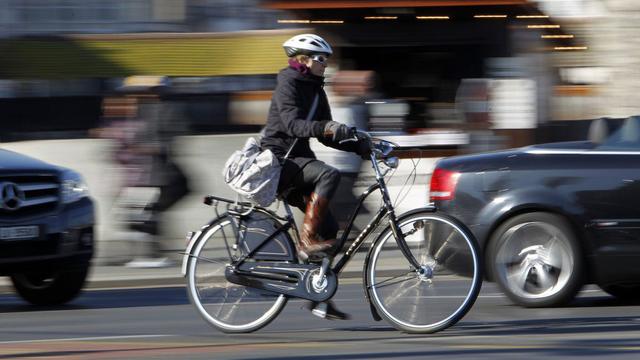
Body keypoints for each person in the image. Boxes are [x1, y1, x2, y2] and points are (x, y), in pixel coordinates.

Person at [260, 34, 370, 320]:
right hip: (281, 161)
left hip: (300, 161)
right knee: (329, 174)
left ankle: (317, 297)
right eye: (321, 59)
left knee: (331, 230)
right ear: (303, 60)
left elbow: (326, 135)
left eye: (326, 60)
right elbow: (293, 125)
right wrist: (328, 126)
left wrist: (361, 147)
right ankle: (305, 241)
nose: (325, 65)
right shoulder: (288, 82)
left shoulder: (316, 90)